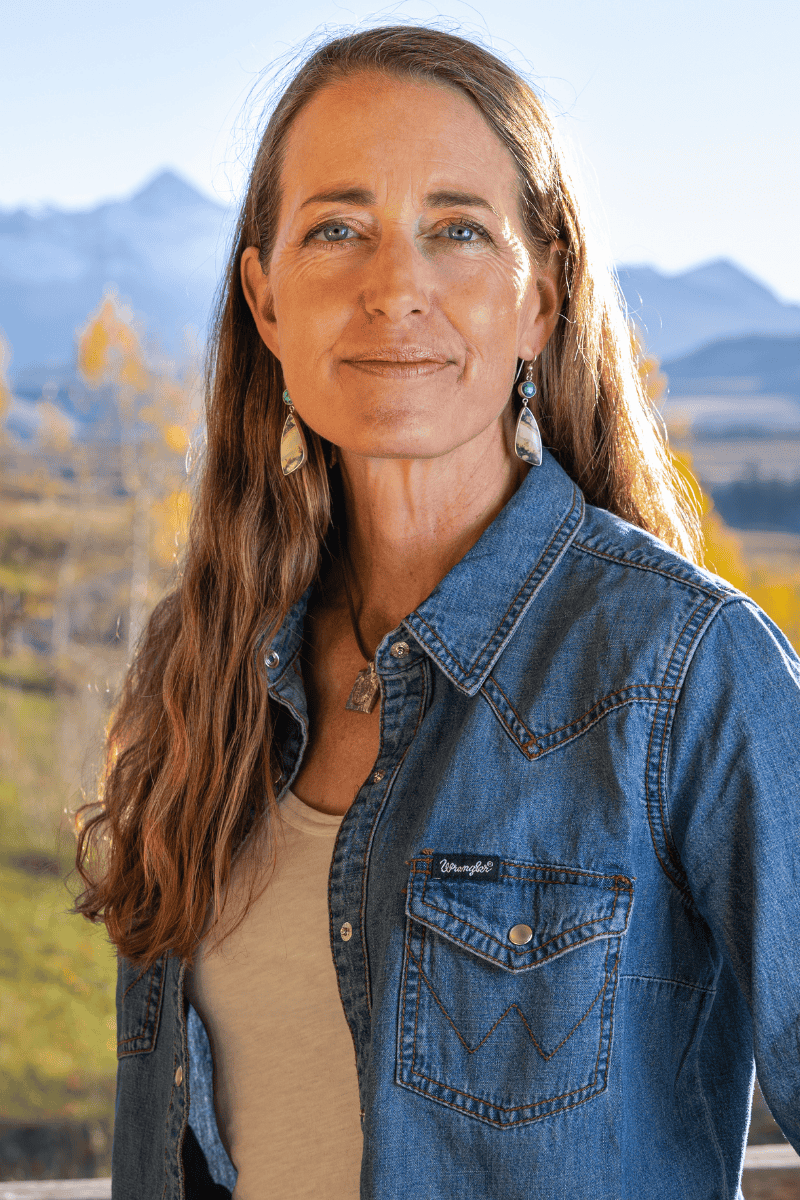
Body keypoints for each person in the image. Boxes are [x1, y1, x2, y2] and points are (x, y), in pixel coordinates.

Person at [75, 24, 800, 1200]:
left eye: (457, 229)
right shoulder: (204, 665)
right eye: (336, 230)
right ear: (265, 301)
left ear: (540, 297)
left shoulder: (685, 673)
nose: (393, 288)